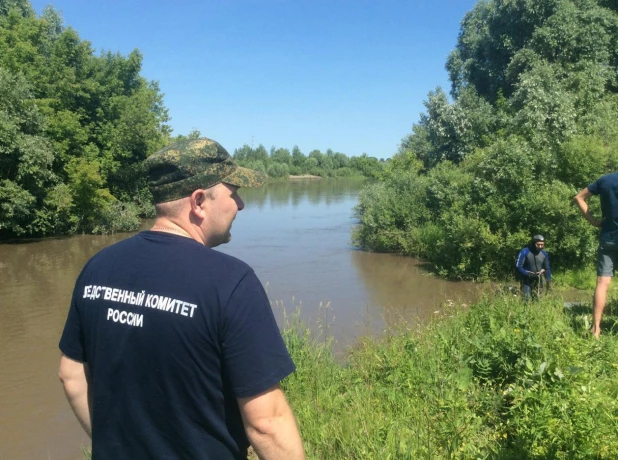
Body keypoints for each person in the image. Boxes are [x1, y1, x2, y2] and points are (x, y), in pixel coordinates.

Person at [58, 137, 305, 459]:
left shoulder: (98, 267)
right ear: (199, 201)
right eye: (234, 192)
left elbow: (71, 375)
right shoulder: (231, 281)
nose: (241, 204)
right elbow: (267, 422)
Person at [574, 171, 618, 338]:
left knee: (602, 282)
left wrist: (593, 221)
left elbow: (578, 198)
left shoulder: (605, 180)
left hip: (608, 238)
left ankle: (596, 329)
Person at [516, 234, 552, 301]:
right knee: (526, 299)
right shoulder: (524, 252)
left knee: (537, 299)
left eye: (542, 245)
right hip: (526, 279)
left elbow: (547, 268)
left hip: (538, 279)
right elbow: (518, 266)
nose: (540, 246)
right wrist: (528, 273)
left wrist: (548, 282)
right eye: (538, 245)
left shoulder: (544, 254)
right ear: (534, 243)